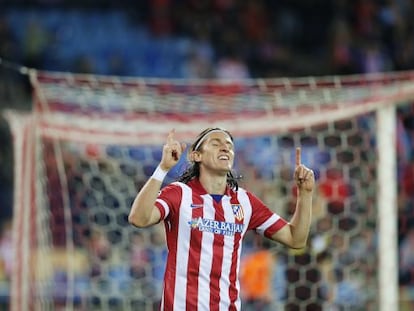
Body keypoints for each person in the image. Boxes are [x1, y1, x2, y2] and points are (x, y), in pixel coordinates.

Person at [128, 127, 315, 310]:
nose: (225, 148)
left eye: (229, 145)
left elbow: (295, 239)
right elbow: (139, 218)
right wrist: (162, 169)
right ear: (196, 156)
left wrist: (305, 194)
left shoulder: (245, 201)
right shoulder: (179, 193)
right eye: (216, 143)